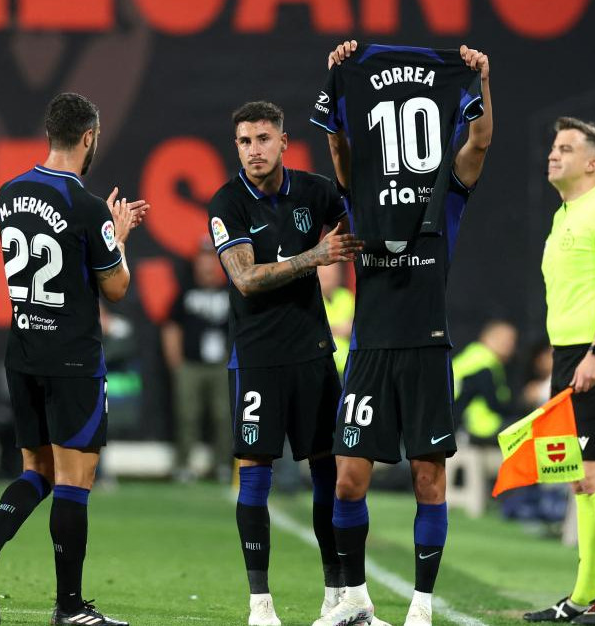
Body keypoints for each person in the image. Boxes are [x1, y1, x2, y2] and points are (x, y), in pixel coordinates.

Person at [311, 41, 493, 626]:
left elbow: (481, 141)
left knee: (427, 478)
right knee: (346, 481)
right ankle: (357, 601)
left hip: (425, 344)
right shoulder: (360, 191)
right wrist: (339, 76)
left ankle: (421, 607)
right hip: (368, 348)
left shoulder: (448, 194)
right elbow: (338, 144)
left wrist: (481, 81)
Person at [0, 93, 148, 626]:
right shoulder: (87, 206)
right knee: (74, 480)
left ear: (49, 133)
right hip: (73, 359)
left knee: (36, 470)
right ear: (89, 136)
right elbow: (115, 288)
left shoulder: (7, 194)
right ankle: (70, 608)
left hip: (23, 352)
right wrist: (119, 238)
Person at [208, 100, 360, 626]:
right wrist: (311, 259)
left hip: (313, 355)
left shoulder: (315, 192)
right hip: (256, 360)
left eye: (263, 139)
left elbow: (359, 210)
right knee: (255, 476)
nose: (254, 150)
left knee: (327, 474)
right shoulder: (227, 203)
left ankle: (336, 594)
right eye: (245, 141)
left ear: (283, 142)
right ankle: (260, 605)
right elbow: (246, 280)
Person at [523, 117, 595, 625]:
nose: (554, 155)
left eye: (565, 148)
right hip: (571, 354)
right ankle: (583, 596)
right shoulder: (564, 214)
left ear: (591, 163)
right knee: (575, 478)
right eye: (553, 147)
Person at [162, 239, 232, 482]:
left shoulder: (230, 293)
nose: (207, 265)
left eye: (212, 259)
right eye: (203, 260)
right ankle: (182, 465)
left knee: (223, 415)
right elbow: (171, 328)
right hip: (190, 364)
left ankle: (223, 464)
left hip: (220, 365)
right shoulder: (185, 294)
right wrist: (177, 363)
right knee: (187, 415)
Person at [452, 320, 517, 445]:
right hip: (478, 427)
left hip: (468, 425)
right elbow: (493, 403)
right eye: (501, 338)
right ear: (485, 338)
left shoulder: (477, 357)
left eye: (512, 339)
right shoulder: (482, 362)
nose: (508, 343)